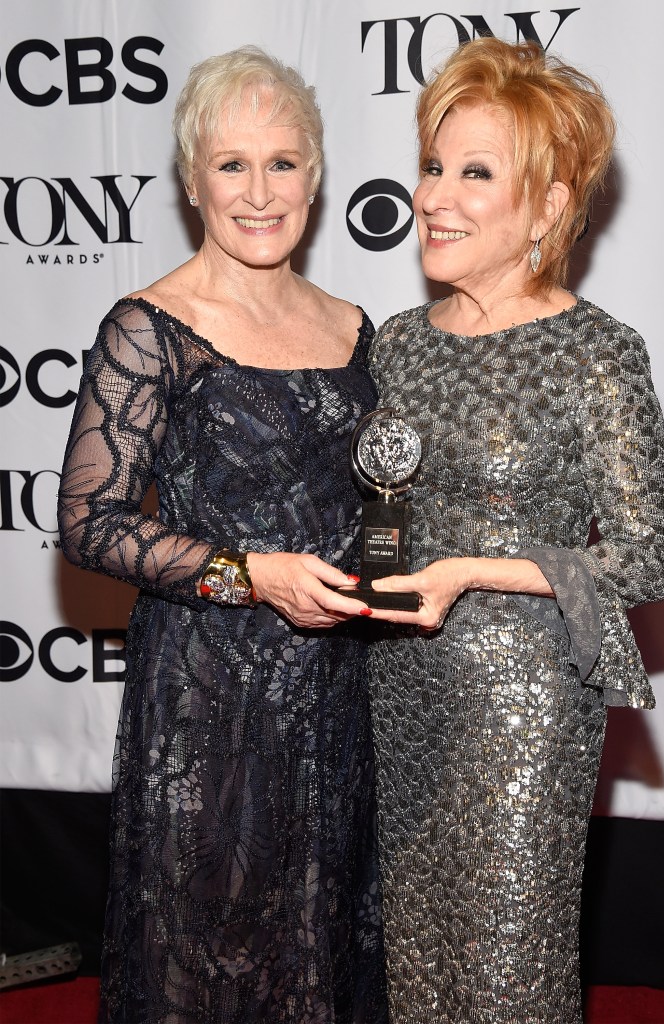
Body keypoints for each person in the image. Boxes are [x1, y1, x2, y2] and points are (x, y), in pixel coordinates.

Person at [57, 46, 388, 1024]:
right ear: (192, 179)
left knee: (323, 943)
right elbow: (88, 523)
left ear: (316, 175)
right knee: (215, 954)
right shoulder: (151, 326)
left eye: (282, 162)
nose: (258, 190)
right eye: (230, 164)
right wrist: (250, 574)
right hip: (213, 700)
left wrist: (399, 569)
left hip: (340, 696)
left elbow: (381, 498)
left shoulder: (354, 325)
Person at [365, 37, 664, 1023]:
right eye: (432, 166)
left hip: (525, 702)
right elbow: (381, 510)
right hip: (398, 682)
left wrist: (469, 569)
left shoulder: (597, 352)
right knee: (416, 951)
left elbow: (648, 555)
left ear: (545, 208)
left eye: (475, 174)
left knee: (508, 965)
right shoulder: (397, 343)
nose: (435, 196)